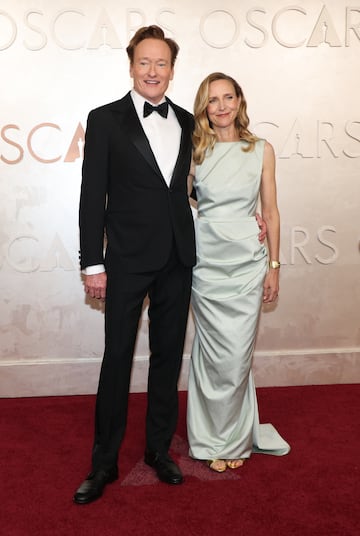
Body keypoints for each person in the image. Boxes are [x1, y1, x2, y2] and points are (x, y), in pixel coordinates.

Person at [73, 25, 197, 504]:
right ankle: (103, 464)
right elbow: (91, 199)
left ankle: (158, 451)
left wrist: (241, 207)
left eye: (161, 63)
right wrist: (92, 264)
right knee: (117, 360)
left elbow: (190, 188)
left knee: (167, 360)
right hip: (123, 260)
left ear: (171, 69)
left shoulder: (187, 121)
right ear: (131, 66)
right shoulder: (105, 120)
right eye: (144, 62)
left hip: (177, 260)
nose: (153, 70)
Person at [186, 72, 290, 473]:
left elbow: (272, 211)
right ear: (204, 108)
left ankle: (232, 437)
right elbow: (179, 197)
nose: (222, 106)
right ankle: (212, 439)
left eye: (228, 97)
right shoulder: (194, 151)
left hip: (248, 262)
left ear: (240, 101)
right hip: (206, 262)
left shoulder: (261, 149)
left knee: (237, 355)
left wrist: (274, 266)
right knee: (211, 355)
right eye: (213, 100)